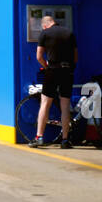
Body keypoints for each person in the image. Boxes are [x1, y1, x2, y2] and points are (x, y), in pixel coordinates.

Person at [34, 13, 78, 149]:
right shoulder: (69, 33)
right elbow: (75, 56)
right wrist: (70, 68)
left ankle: (39, 137)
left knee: (45, 104)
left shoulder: (45, 33)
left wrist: (47, 67)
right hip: (67, 71)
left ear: (45, 25)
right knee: (65, 106)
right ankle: (65, 140)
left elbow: (39, 56)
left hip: (52, 70)